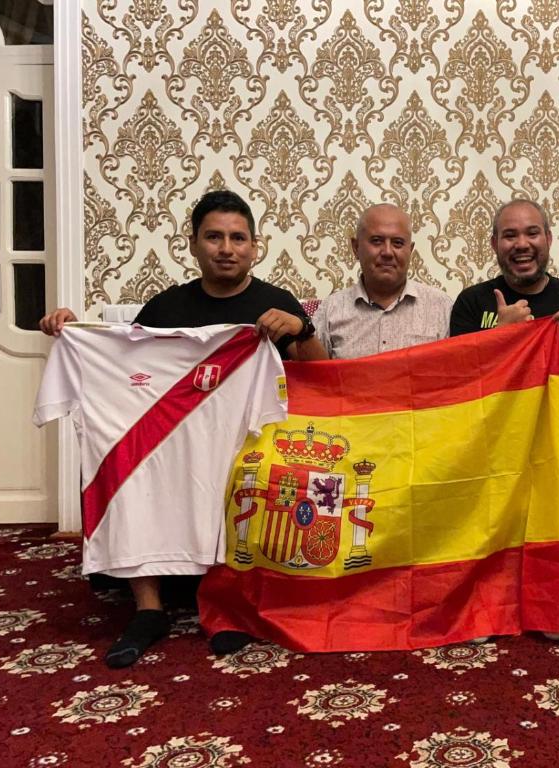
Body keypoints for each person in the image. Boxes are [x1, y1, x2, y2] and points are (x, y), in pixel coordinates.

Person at [39, 189, 325, 667]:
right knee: (131, 474)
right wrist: (74, 329)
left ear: (256, 246)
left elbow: (324, 378)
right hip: (172, 441)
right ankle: (148, 610)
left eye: (238, 238)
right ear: (192, 245)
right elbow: (120, 358)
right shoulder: (165, 309)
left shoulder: (275, 304)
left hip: (245, 445)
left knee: (255, 481)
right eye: (214, 237)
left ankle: (232, 604)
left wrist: (302, 329)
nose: (226, 248)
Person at [313, 204, 452, 358]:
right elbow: (314, 377)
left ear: (410, 250)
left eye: (398, 243)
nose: (387, 252)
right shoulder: (330, 310)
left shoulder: (441, 308)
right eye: (377, 241)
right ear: (356, 247)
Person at [449, 199, 559, 336]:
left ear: (548, 239)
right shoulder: (471, 302)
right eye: (510, 235)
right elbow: (462, 358)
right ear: (494, 244)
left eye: (532, 233)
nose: (522, 244)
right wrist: (502, 334)